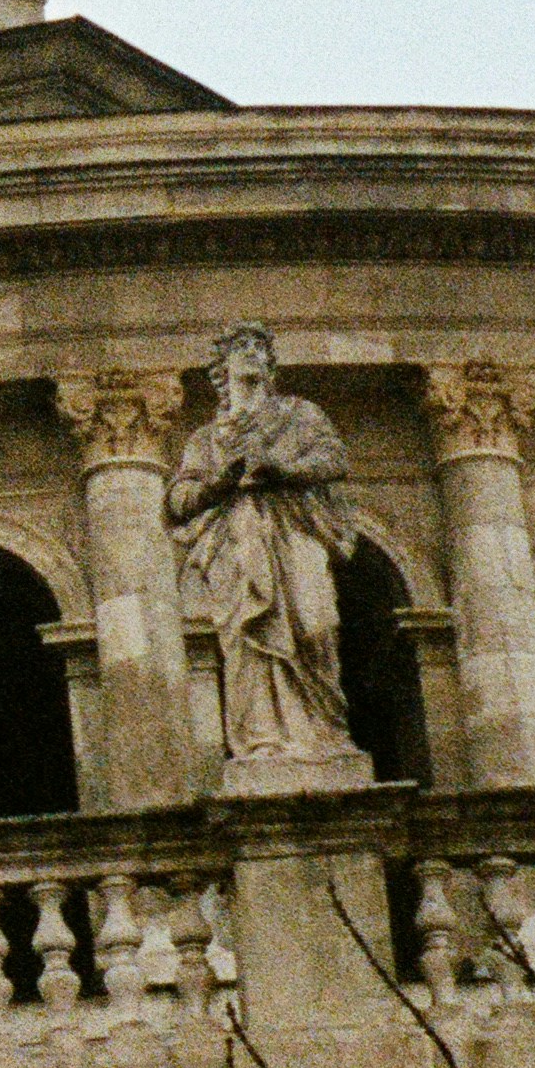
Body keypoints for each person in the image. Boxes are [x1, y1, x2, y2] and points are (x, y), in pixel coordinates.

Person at [169, 327, 366, 773]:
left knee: (317, 624)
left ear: (271, 364)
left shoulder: (300, 415)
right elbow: (179, 500)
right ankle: (262, 739)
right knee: (248, 637)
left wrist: (281, 469)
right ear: (222, 369)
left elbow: (334, 458)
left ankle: (326, 733)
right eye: (242, 348)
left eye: (260, 348)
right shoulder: (207, 439)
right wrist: (219, 484)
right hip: (238, 539)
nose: (253, 354)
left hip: (296, 529)